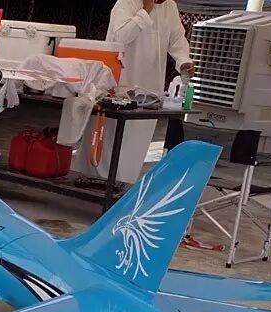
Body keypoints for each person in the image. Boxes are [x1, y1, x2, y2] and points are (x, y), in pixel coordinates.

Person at [72, 0, 194, 184]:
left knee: (135, 144)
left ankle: (121, 186)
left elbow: (177, 40)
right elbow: (121, 36)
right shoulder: (126, 3)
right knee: (109, 142)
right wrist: (145, 11)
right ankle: (93, 183)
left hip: (149, 92)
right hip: (119, 88)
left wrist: (184, 61)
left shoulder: (169, 7)